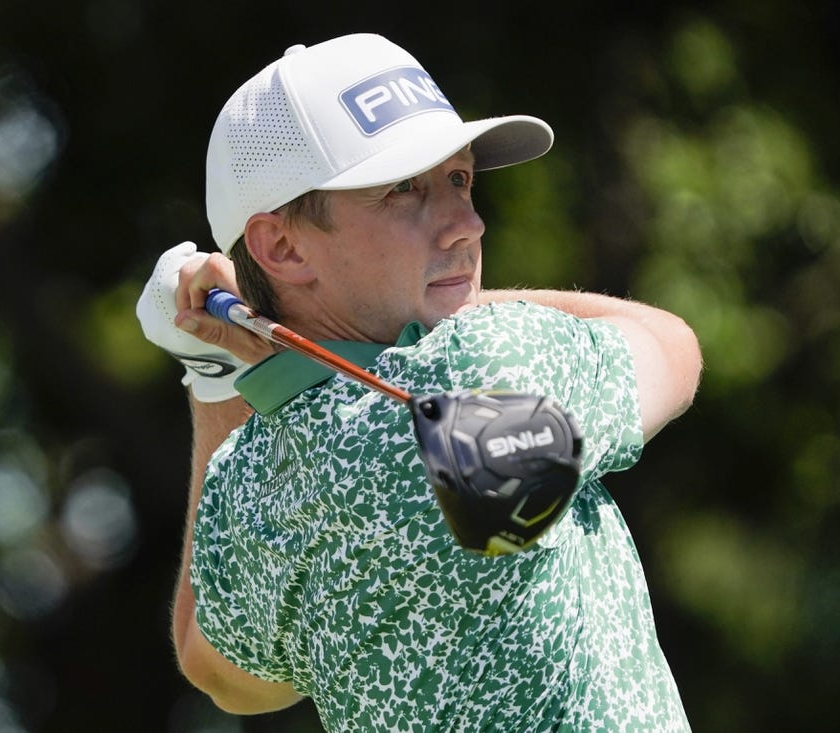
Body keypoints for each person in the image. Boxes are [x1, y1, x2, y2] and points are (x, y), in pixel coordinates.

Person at [137, 33, 702, 731]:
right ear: (282, 246)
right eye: (405, 190)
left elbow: (212, 666)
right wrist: (450, 301)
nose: (469, 222)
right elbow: (672, 344)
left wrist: (215, 369)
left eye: (460, 179)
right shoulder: (491, 368)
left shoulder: (256, 487)